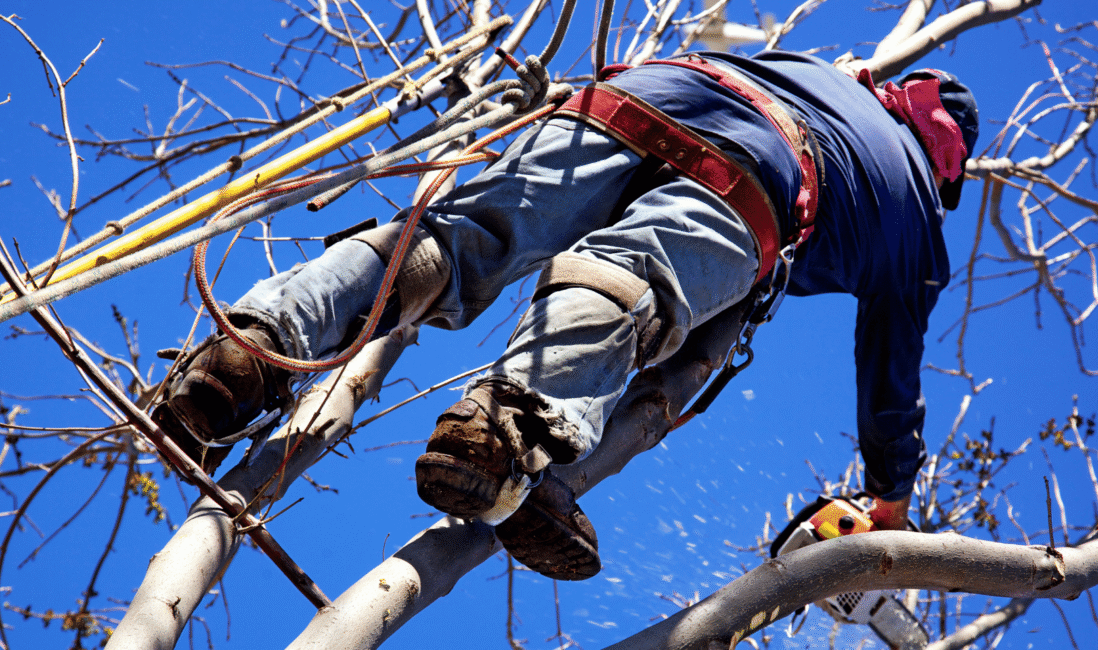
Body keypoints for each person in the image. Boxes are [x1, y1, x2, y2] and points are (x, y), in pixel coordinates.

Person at [153, 49, 979, 582]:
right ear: (948, 171)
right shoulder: (918, 214)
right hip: (762, 172)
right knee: (635, 283)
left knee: (456, 243)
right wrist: (889, 498)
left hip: (650, 92)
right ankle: (507, 435)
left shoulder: (819, 68)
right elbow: (890, 376)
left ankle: (254, 347)